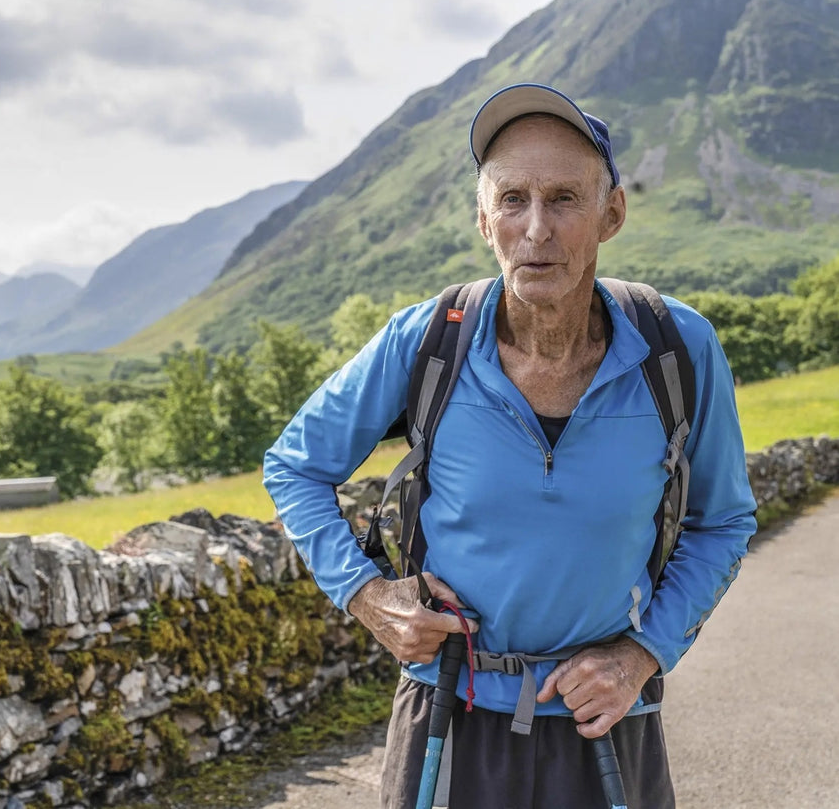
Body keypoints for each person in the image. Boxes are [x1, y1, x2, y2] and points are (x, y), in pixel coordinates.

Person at [262, 83, 757, 808]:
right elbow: (295, 465)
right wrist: (368, 596)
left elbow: (723, 521)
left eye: (563, 199)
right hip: (447, 718)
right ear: (482, 220)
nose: (536, 229)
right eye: (512, 200)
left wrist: (640, 655)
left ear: (610, 214)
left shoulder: (676, 347)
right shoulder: (427, 341)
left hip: (608, 718)